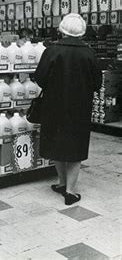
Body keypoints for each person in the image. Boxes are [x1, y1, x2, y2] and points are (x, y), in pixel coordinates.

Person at [34, 14, 101, 205]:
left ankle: (61, 183)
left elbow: (40, 78)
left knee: (55, 143)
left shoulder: (51, 51)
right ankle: (70, 191)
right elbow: (97, 83)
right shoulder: (89, 53)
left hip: (53, 106)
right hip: (79, 108)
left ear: (62, 29)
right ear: (82, 32)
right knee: (75, 147)